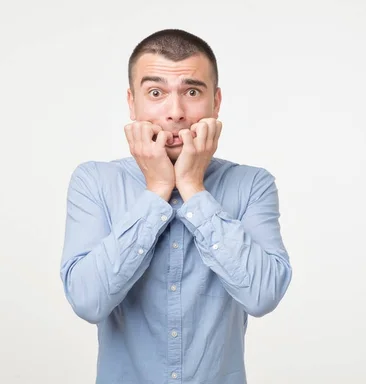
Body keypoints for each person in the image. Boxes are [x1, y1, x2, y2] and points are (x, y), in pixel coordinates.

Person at [60, 29, 292, 384]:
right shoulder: (94, 181)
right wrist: (156, 191)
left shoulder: (252, 184)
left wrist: (193, 188)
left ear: (215, 102)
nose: (176, 112)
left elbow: (261, 296)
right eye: (156, 93)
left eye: (192, 92)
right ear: (131, 101)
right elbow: (89, 302)